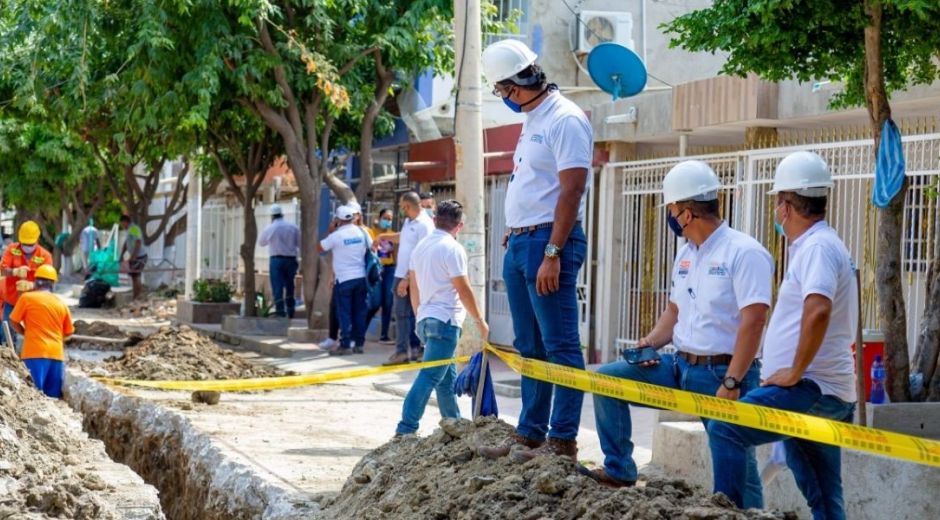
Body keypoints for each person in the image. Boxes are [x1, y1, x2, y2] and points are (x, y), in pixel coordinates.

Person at [583, 161, 772, 500]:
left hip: (723, 373)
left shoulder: (744, 252)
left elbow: (754, 320)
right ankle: (619, 470)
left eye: (671, 207)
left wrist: (733, 380)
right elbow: (675, 310)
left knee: (737, 472)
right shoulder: (686, 254)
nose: (670, 214)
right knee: (607, 380)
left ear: (686, 213)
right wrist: (650, 343)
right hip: (677, 365)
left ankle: (748, 513)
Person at [708, 151, 858, 519]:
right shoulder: (819, 245)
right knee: (824, 497)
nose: (776, 211)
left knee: (726, 427)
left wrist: (794, 371)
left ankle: (724, 514)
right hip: (825, 390)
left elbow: (818, 309)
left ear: (787, 205)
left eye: (777, 202)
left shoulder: (818, 248)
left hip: (810, 387)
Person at [476, 39, 592, 462]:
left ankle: (561, 441)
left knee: (560, 346)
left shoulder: (565, 119)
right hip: (523, 240)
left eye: (503, 92)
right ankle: (530, 434)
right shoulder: (533, 119)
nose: (505, 99)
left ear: (515, 85)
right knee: (530, 345)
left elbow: (572, 189)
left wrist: (553, 251)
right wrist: (517, 230)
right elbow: (535, 186)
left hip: (549, 243)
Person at [395, 200, 489, 436]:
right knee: (428, 377)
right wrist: (479, 320)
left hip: (427, 318)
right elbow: (463, 289)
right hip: (445, 321)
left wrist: (419, 316)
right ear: (459, 226)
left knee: (446, 378)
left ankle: (453, 423)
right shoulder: (452, 248)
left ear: (435, 220)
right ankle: (405, 429)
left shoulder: (421, 247)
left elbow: (414, 287)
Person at [377, 192, 433, 365]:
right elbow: (403, 237)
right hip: (401, 274)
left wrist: (407, 279)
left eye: (402, 207)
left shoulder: (425, 225)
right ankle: (405, 351)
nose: (400, 210)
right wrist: (384, 236)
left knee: (417, 314)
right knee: (402, 315)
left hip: (412, 277)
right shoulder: (409, 221)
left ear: (408, 206)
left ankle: (413, 350)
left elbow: (423, 254)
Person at [9, 264, 73, 398]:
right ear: (53, 284)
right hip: (56, 355)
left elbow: (13, 320)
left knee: (33, 396)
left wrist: (25, 332)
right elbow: (68, 332)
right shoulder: (61, 303)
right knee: (53, 400)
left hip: (34, 352)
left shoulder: (27, 298)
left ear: (36, 282)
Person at [318, 205, 372, 355]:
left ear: (337, 219)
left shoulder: (336, 236)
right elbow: (372, 248)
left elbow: (320, 248)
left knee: (344, 313)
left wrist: (330, 230)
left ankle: (345, 344)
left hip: (344, 280)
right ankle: (359, 343)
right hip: (361, 278)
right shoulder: (362, 232)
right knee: (360, 312)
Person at [1, 221, 54, 347]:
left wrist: (32, 285)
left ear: (37, 239)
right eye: (24, 243)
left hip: (34, 303)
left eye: (30, 244)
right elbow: (2, 269)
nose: (27, 246)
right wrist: (14, 271)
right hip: (12, 300)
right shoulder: (12, 250)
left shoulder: (45, 256)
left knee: (35, 333)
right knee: (6, 332)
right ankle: (8, 358)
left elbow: (49, 282)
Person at [258, 204, 300, 318]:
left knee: (277, 287)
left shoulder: (270, 228)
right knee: (290, 285)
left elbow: (261, 242)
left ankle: (280, 312)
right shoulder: (293, 227)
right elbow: (299, 243)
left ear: (272, 216)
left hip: (276, 260)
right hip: (291, 259)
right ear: (282, 214)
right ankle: (291, 310)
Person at [368, 208, 397, 344]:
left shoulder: (392, 235)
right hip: (376, 269)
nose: (388, 221)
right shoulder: (372, 232)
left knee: (388, 302)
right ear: (379, 218)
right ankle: (360, 330)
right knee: (375, 302)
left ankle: (384, 335)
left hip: (390, 269)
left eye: (390, 219)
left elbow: (395, 253)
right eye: (385, 218)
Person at [119, 215, 148, 300]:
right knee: (133, 276)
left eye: (122, 224)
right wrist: (122, 255)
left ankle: (137, 297)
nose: (122, 226)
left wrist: (133, 256)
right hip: (135, 256)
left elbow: (138, 242)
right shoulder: (129, 230)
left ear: (125, 222)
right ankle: (135, 297)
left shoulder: (134, 228)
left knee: (136, 276)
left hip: (140, 256)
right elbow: (126, 243)